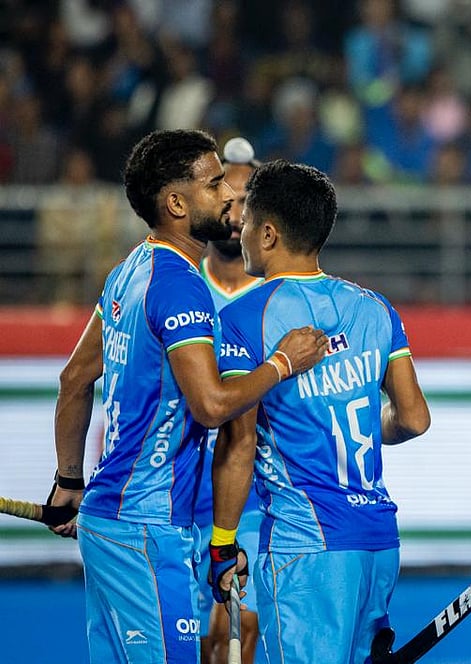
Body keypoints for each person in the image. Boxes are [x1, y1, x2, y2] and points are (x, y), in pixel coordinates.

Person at [44, 129, 328, 664]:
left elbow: (74, 381)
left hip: (108, 523)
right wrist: (282, 363)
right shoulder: (179, 284)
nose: (229, 196)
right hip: (149, 531)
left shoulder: (129, 271)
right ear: (176, 203)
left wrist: (68, 482)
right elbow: (213, 406)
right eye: (215, 182)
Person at [208, 160, 431, 664]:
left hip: (306, 548)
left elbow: (238, 443)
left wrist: (223, 543)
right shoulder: (375, 307)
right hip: (377, 541)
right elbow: (414, 418)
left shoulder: (242, 317)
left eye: (244, 223)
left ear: (267, 234)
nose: (238, 232)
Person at [195, 136, 265, 664]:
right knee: (202, 641)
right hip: (187, 497)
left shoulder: (278, 297)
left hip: (260, 500)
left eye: (247, 200)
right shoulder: (182, 287)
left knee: (242, 627)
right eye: (228, 196)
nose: (236, 212)